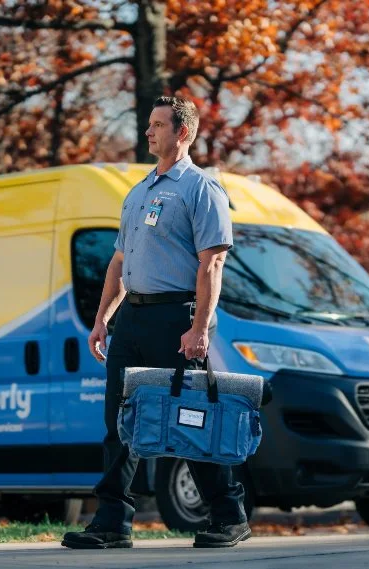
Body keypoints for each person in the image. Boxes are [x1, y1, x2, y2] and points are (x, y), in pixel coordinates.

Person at [61, 96, 247, 550]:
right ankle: (112, 523)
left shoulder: (201, 189)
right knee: (119, 421)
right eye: (149, 124)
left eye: (158, 125)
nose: (148, 132)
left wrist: (199, 328)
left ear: (182, 133)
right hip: (132, 319)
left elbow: (212, 264)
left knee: (191, 419)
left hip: (177, 318)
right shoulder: (139, 191)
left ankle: (229, 515)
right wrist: (103, 320)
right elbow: (118, 262)